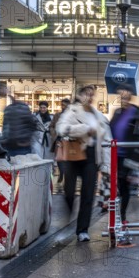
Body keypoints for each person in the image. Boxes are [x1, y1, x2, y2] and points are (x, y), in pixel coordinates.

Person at [56, 85, 111, 242]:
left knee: (88, 194)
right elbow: (61, 129)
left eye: (92, 95)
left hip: (92, 156)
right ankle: (69, 216)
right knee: (69, 192)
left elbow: (106, 139)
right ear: (79, 96)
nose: (89, 97)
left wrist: (106, 164)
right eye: (86, 94)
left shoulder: (98, 115)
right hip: (73, 154)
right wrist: (85, 129)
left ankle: (82, 229)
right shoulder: (72, 110)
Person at [109, 88, 139, 224]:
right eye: (121, 97)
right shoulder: (117, 112)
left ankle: (122, 215)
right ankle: (117, 213)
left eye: (126, 97)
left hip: (128, 156)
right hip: (115, 154)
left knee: (124, 185)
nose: (123, 100)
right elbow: (110, 129)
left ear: (130, 98)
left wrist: (136, 159)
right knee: (117, 185)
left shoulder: (136, 114)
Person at [49, 98, 70, 189]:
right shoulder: (57, 115)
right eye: (62, 105)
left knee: (68, 159)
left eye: (65, 105)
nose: (63, 107)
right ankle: (61, 173)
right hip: (59, 139)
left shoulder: (72, 115)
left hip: (70, 140)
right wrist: (54, 133)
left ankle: (66, 175)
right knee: (59, 158)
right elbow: (51, 126)